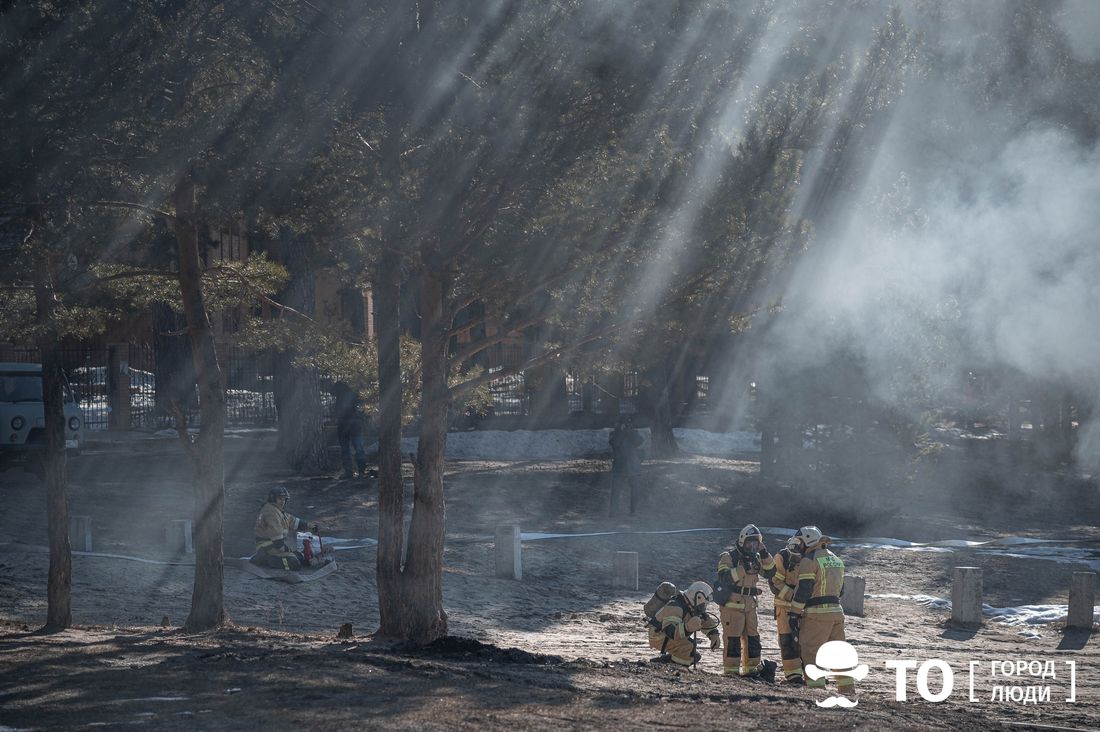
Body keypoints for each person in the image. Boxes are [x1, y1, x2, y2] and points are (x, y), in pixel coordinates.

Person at [787, 525, 852, 695]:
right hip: (837, 613)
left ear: (808, 541)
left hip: (816, 615)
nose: (798, 546)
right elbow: (841, 590)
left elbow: (804, 590)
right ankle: (847, 690)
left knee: (811, 652)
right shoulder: (836, 559)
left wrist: (794, 613)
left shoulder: (809, 560)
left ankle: (816, 692)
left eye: (800, 542)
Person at [715, 524, 777, 678]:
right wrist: (743, 568)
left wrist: (764, 553)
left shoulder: (757, 558)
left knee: (753, 639)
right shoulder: (728, 557)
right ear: (743, 541)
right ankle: (731, 672)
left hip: (750, 607)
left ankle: (751, 670)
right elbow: (724, 578)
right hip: (732, 606)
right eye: (750, 542)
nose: (752, 546)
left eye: (756, 543)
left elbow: (771, 572)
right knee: (733, 640)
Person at [644, 581, 722, 667]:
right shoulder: (675, 606)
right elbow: (670, 631)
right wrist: (687, 628)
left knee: (694, 656)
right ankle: (672, 667)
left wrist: (713, 634)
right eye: (703, 604)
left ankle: (664, 661)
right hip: (658, 635)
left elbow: (705, 620)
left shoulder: (692, 606)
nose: (704, 607)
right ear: (697, 598)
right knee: (688, 649)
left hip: (668, 635)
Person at [251, 487, 322, 571]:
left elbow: (292, 521)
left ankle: (266, 558)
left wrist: (309, 526)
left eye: (284, 499)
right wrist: (288, 550)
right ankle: (264, 560)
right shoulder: (271, 513)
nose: (282, 501)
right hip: (267, 547)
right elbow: (277, 541)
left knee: (299, 557)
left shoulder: (276, 510)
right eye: (280, 499)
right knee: (293, 564)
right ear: (273, 499)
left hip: (273, 545)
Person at [769, 535, 806, 684]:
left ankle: (810, 673)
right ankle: (793, 676)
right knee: (787, 640)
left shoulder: (809, 558)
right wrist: (793, 596)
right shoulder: (782, 557)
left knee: (806, 641)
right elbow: (775, 582)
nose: (796, 559)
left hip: (803, 608)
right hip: (784, 607)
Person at [331, 381, 368, 479]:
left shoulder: (341, 396)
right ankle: (361, 471)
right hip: (354, 425)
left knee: (346, 449)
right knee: (358, 448)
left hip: (345, 425)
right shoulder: (353, 394)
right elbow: (361, 409)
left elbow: (339, 411)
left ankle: (350, 472)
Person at [608, 416, 644, 514]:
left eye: (627, 424)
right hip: (619, 466)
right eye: (622, 424)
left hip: (633, 466)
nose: (625, 426)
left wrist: (629, 431)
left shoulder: (633, 433)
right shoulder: (614, 434)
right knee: (616, 490)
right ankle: (613, 511)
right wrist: (621, 432)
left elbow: (639, 442)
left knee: (635, 490)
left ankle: (633, 511)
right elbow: (614, 443)